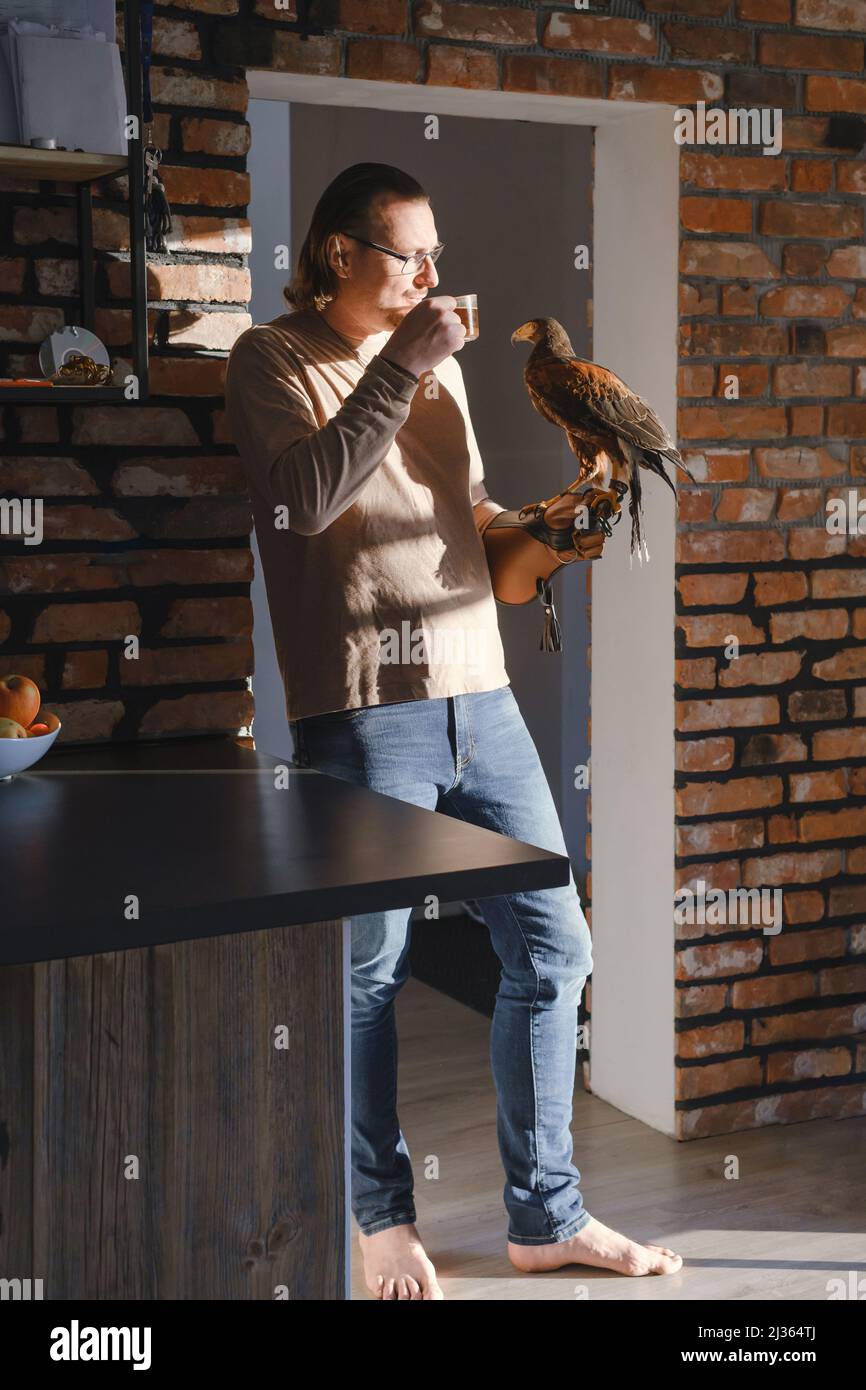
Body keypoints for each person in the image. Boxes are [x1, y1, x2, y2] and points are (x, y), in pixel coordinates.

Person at [225, 163, 682, 1300]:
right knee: (366, 976)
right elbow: (304, 499)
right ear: (340, 255)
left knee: (552, 946)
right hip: (363, 712)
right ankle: (377, 1219)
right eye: (408, 254)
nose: (433, 276)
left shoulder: (440, 385)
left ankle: (546, 1217)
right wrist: (404, 363)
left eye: (436, 254)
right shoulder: (271, 360)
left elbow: (471, 532)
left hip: (481, 698)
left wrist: (560, 530)